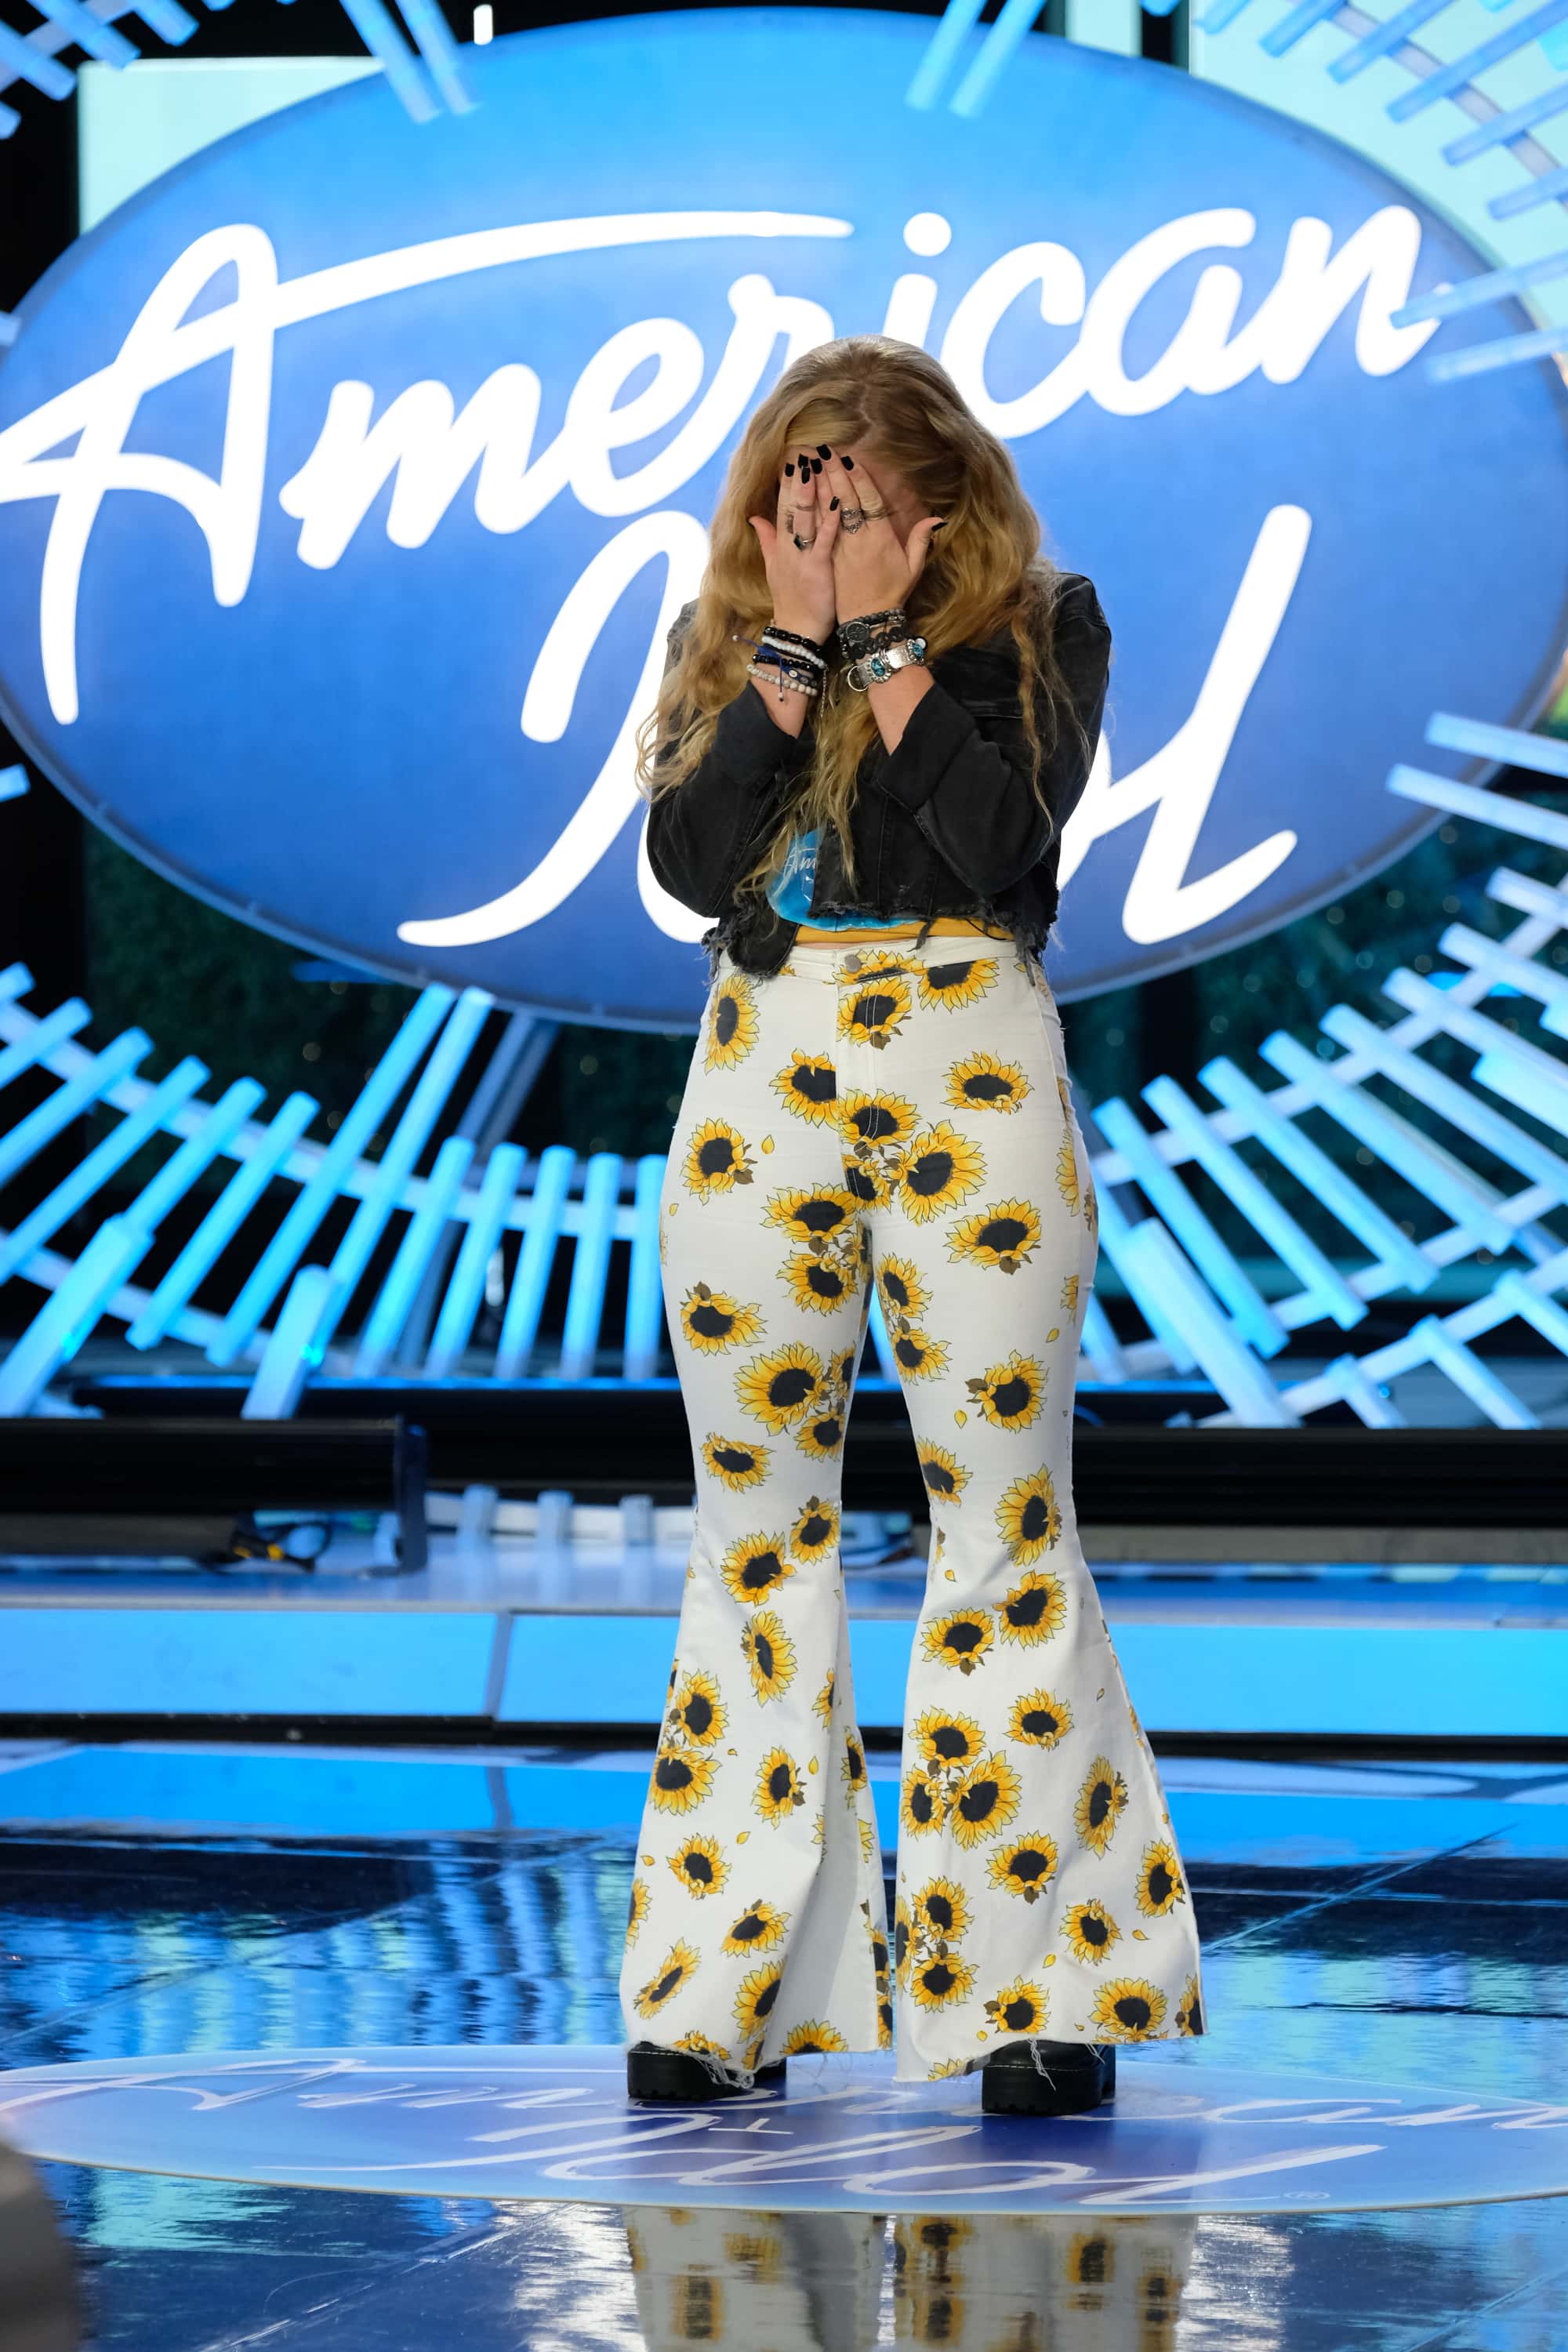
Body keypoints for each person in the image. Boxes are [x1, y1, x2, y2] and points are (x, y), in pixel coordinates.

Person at [618, 335, 1204, 2115]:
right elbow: (685, 862)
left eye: (860, 503)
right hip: (762, 1061)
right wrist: (793, 646)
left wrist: (883, 641)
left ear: (942, 500)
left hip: (968, 1050)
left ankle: (1043, 1995)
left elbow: (996, 845)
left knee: (1002, 1517)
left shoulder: (1043, 626)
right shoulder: (726, 634)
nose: (821, 529)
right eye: (797, 502)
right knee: (754, 1532)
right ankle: (726, 1992)